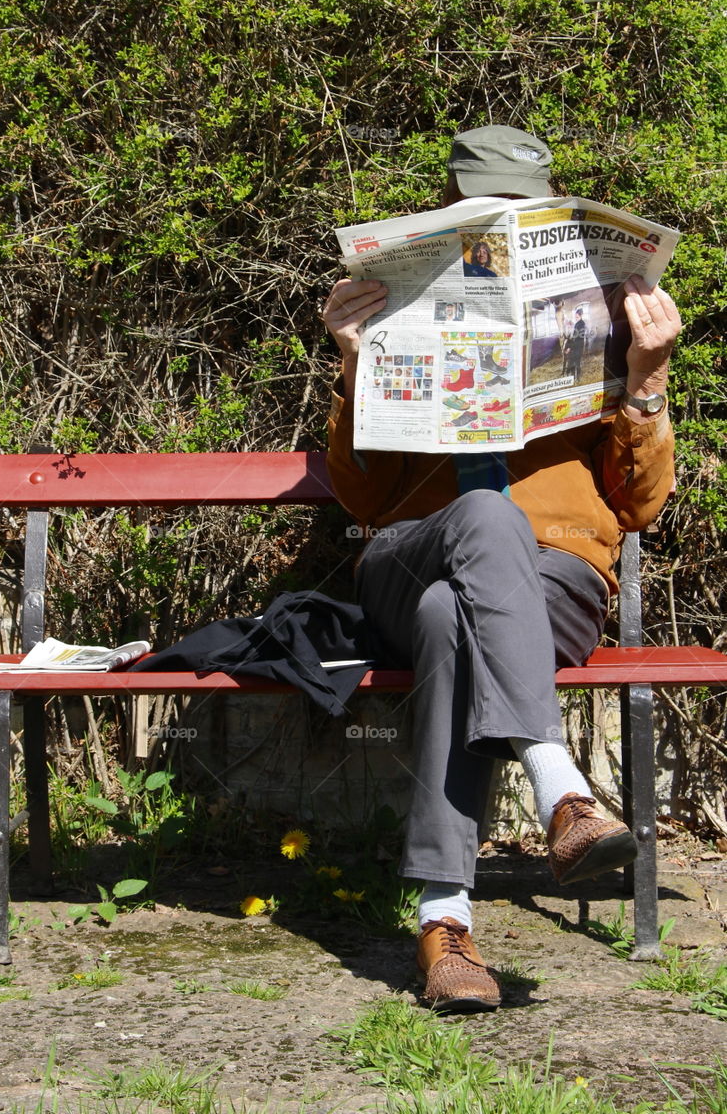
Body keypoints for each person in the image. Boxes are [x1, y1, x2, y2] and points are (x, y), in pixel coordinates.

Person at [320, 124, 681, 1013]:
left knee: (455, 618)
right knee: (479, 518)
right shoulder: (403, 298)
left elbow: (635, 510)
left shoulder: (600, 308)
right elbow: (363, 502)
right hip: (411, 554)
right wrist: (353, 364)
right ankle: (558, 782)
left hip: (551, 578)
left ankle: (444, 922)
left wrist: (644, 382)